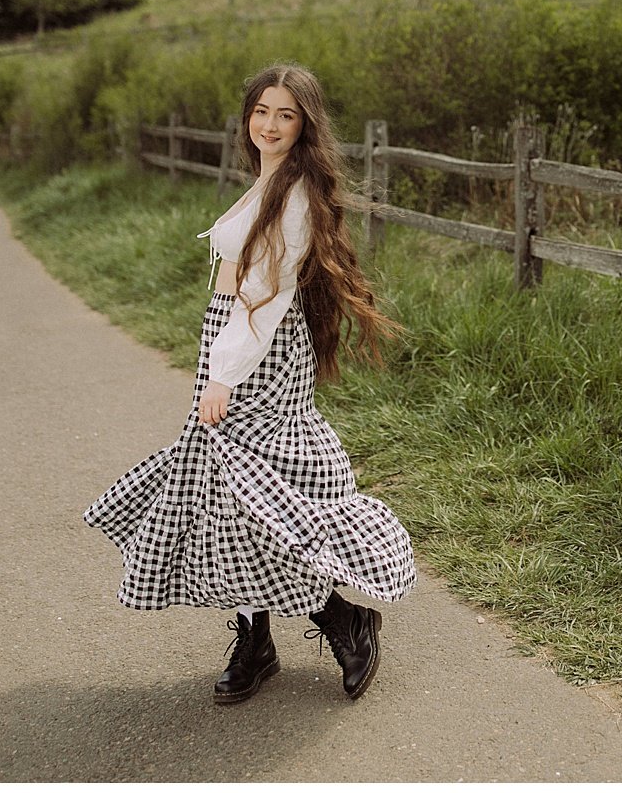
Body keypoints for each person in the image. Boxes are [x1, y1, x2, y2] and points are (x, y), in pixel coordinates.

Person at [85, 62, 414, 705]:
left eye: (286, 115)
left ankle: (341, 619)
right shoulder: (270, 178)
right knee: (228, 492)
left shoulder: (292, 197)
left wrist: (222, 377)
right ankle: (259, 639)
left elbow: (263, 297)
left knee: (253, 493)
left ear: (305, 124)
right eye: (262, 111)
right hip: (235, 342)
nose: (270, 124)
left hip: (254, 352)